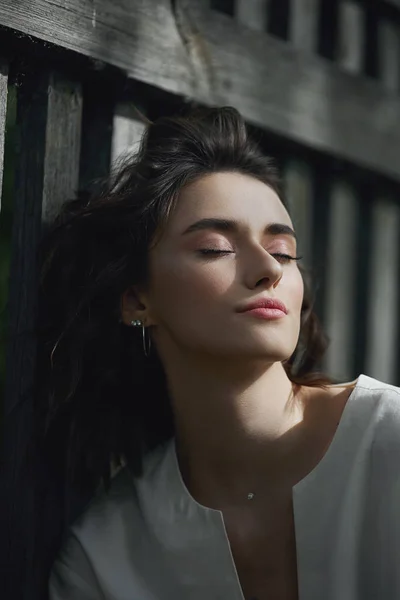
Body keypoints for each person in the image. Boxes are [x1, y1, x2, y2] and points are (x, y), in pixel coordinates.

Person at [33, 106, 400, 600]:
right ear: (137, 299)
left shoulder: (389, 442)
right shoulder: (106, 558)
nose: (268, 268)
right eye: (215, 247)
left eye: (284, 251)